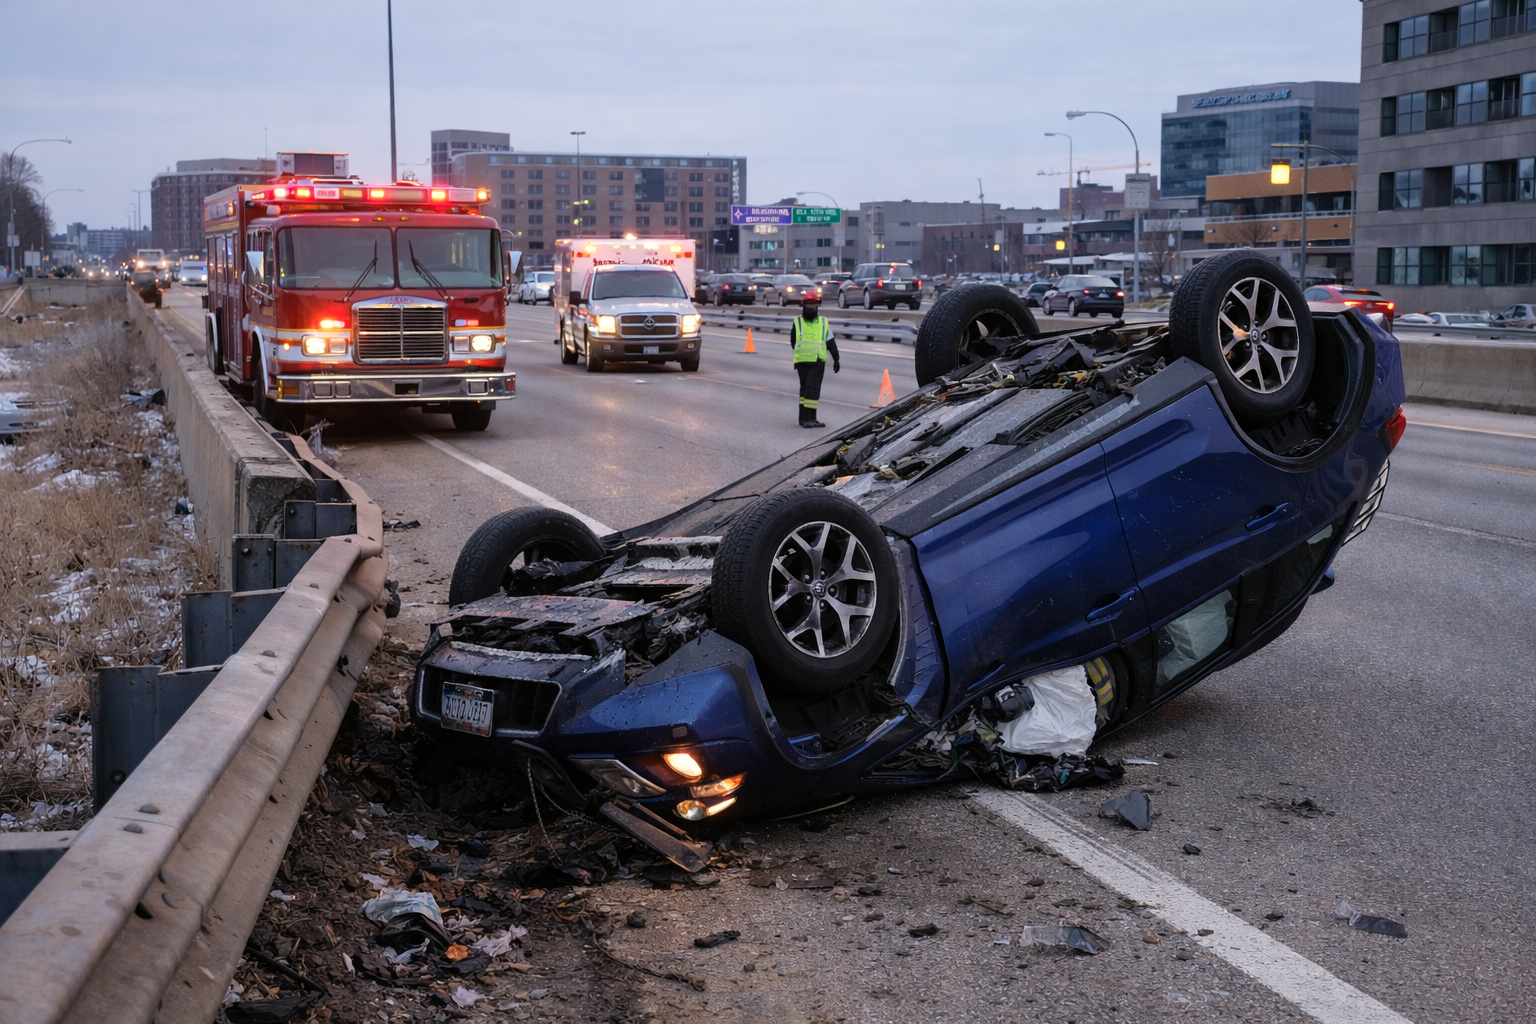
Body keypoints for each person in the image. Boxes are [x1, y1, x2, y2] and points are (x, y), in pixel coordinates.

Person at [790, 290, 839, 428]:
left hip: (812, 360)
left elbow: (830, 342)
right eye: (809, 305)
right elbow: (793, 340)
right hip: (808, 361)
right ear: (803, 306)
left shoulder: (823, 323)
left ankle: (806, 418)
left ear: (818, 306)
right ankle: (808, 419)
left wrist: (836, 358)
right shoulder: (798, 322)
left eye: (813, 305)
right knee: (811, 389)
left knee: (807, 389)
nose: (811, 307)